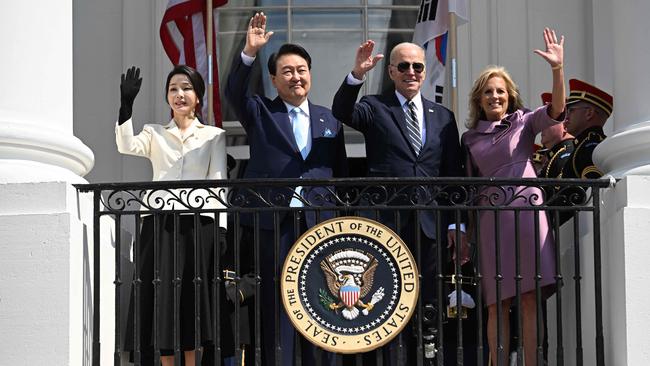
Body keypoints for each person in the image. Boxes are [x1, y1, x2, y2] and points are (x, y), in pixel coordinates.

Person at [331, 40, 466, 364]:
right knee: (385, 305)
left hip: (429, 226)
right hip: (385, 224)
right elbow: (342, 111)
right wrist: (357, 75)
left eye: (417, 66)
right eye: (403, 66)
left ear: (424, 71)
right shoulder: (375, 107)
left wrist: (456, 223)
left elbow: (452, 174)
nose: (411, 72)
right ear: (391, 71)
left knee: (428, 307)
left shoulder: (443, 117)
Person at [224, 12, 347, 366]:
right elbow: (234, 90)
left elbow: (338, 171)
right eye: (288, 71)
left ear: (310, 75)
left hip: (320, 222)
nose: (296, 76)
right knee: (276, 304)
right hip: (274, 222)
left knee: (324, 300)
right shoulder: (260, 110)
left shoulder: (329, 119)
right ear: (274, 79)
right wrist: (249, 50)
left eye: (302, 70)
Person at [461, 28, 565, 366]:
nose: (495, 97)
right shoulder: (469, 139)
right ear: (479, 99)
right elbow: (467, 186)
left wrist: (557, 69)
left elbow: (557, 111)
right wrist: (464, 232)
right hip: (491, 222)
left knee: (530, 298)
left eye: (501, 91)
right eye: (488, 92)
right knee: (496, 303)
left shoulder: (523, 122)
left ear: (510, 96)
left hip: (528, 216)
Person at [116, 65, 230, 366]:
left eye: (186, 88)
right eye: (173, 89)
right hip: (160, 224)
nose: (179, 94)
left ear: (198, 96)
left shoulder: (214, 135)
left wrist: (221, 229)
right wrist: (126, 105)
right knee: (162, 298)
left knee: (194, 300)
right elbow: (126, 145)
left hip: (198, 224)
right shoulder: (154, 132)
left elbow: (218, 183)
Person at [562, 78, 613, 179]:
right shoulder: (583, 144)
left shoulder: (592, 147)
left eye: (571, 111)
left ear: (589, 113)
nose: (566, 117)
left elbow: (592, 189)